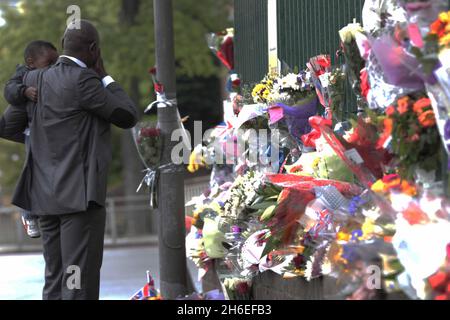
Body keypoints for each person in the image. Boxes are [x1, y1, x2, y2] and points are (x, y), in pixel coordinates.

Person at [0, 20, 138, 300]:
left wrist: (38, 139)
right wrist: (105, 76)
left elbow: (7, 126)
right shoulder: (85, 80)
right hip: (78, 197)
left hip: (43, 198)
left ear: (63, 46)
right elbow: (127, 115)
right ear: (93, 49)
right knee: (78, 279)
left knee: (56, 277)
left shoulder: (33, 79)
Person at [3, 40, 59, 239]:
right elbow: (9, 91)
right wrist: (24, 92)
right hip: (26, 130)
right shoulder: (22, 76)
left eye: (56, 61)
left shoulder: (51, 76)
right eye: (49, 62)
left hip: (38, 130)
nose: (54, 66)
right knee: (32, 168)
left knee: (41, 168)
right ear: (30, 62)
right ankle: (28, 214)